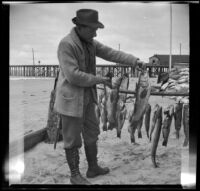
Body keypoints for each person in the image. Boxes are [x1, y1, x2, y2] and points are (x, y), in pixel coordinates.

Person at [54, 9, 146, 185]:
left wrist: (135, 61)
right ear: (81, 27)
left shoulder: (90, 42)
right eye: (93, 29)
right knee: (72, 139)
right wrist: (100, 79)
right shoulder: (66, 44)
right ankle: (74, 175)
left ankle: (93, 167)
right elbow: (73, 76)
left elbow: (112, 53)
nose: (96, 33)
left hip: (88, 98)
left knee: (92, 133)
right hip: (70, 100)